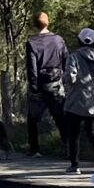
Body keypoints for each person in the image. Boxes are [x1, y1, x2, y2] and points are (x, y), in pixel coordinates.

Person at [58, 28, 94, 177]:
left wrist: (64, 78)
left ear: (79, 40)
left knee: (73, 134)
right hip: (93, 100)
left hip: (75, 100)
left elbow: (71, 77)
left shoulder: (74, 56)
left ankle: (75, 165)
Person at [22, 12, 68, 155]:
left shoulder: (32, 42)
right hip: (56, 84)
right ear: (48, 22)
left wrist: (34, 87)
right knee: (60, 118)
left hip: (40, 85)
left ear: (34, 24)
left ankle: (34, 149)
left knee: (33, 119)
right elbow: (66, 60)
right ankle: (69, 147)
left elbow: (32, 68)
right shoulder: (59, 40)